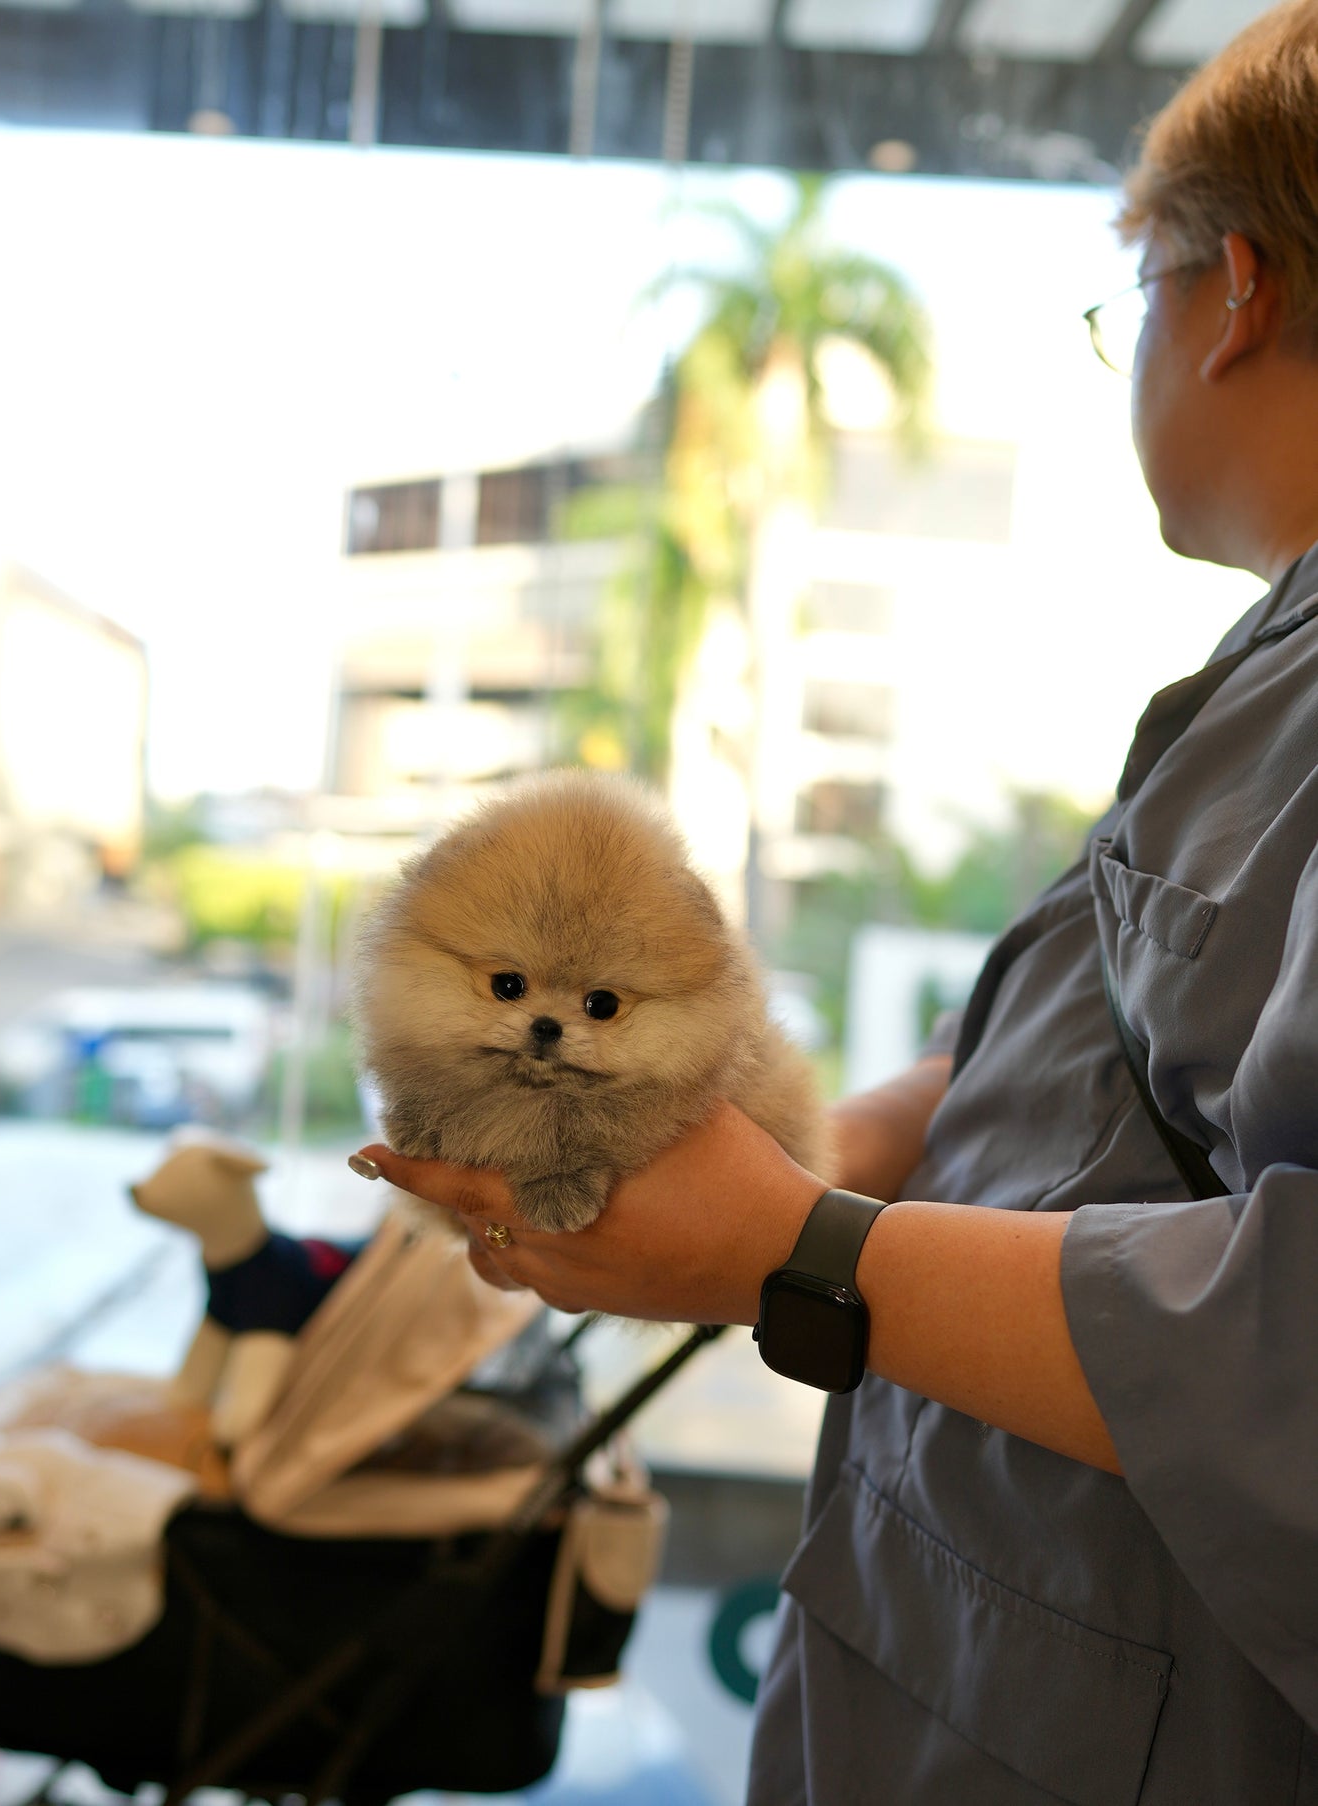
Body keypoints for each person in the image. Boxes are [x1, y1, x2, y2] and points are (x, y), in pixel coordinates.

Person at [359, 4, 1318, 1798]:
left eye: (1131, 309)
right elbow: (1085, 1066)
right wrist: (794, 1152)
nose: (1135, 358)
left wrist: (795, 1252)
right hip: (977, 1641)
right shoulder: (1263, 669)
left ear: (1235, 290)